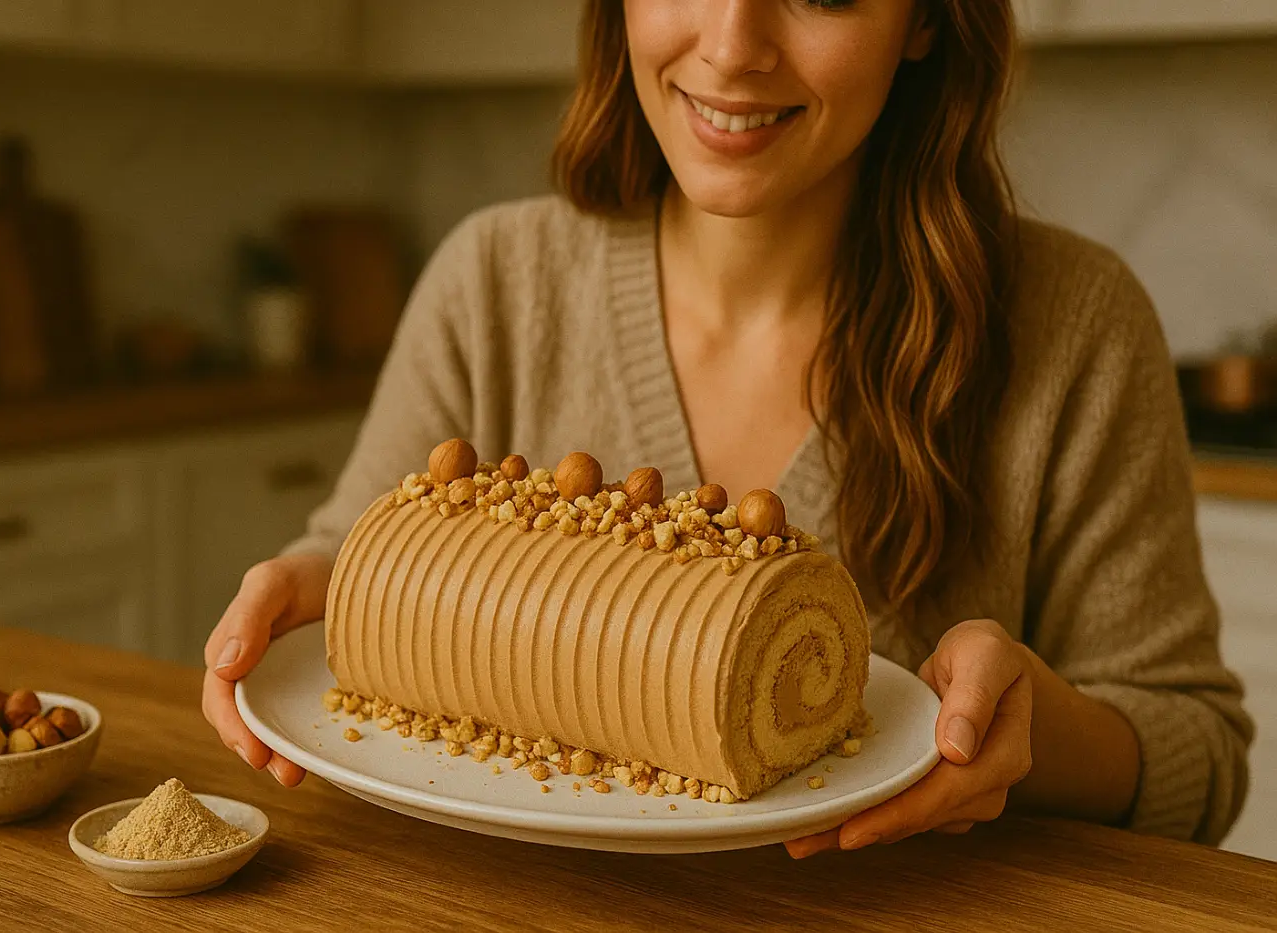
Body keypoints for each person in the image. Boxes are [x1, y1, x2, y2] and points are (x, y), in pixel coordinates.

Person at [202, 0, 1251, 854]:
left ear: (925, 20)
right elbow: (352, 569)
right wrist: (305, 595)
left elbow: (1196, 758)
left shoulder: (1071, 322)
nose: (731, 43)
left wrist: (1032, 724)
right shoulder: (495, 281)